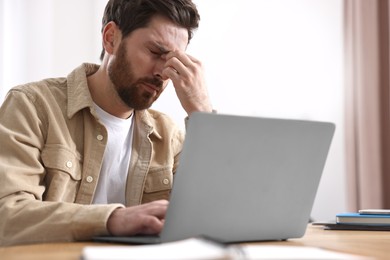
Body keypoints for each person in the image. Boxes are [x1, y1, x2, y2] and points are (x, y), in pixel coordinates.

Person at [0, 0, 212, 246]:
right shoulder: (32, 106)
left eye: (174, 61)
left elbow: (216, 217)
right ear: (110, 38)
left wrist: (202, 114)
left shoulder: (170, 137)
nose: (163, 72)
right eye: (156, 53)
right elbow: (7, 215)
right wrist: (112, 219)